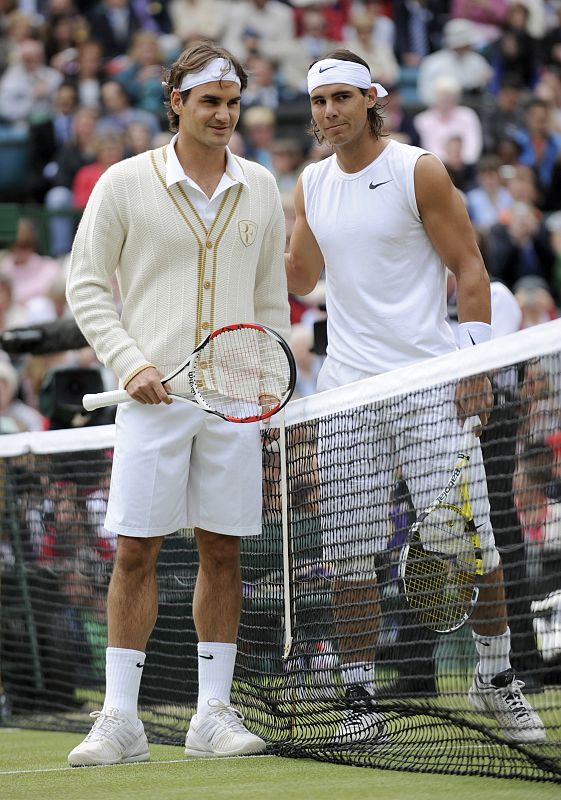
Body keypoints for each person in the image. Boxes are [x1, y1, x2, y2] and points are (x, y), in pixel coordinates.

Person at [285, 48, 546, 745]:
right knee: (349, 559)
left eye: (342, 98)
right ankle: (358, 697)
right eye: (319, 102)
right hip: (345, 395)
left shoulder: (417, 169)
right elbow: (301, 276)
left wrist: (474, 367)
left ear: (371, 99)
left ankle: (495, 679)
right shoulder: (311, 184)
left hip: (429, 388)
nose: (330, 112)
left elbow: (469, 267)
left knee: (473, 546)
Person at [65, 40, 291, 766]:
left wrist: (269, 381)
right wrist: (129, 361)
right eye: (210, 102)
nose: (223, 114)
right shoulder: (124, 182)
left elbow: (270, 300)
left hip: (234, 403)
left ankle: (212, 715)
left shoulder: (261, 186)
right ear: (177, 102)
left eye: (233, 103)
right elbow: (85, 284)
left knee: (223, 550)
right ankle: (120, 721)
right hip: (151, 399)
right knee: (136, 550)